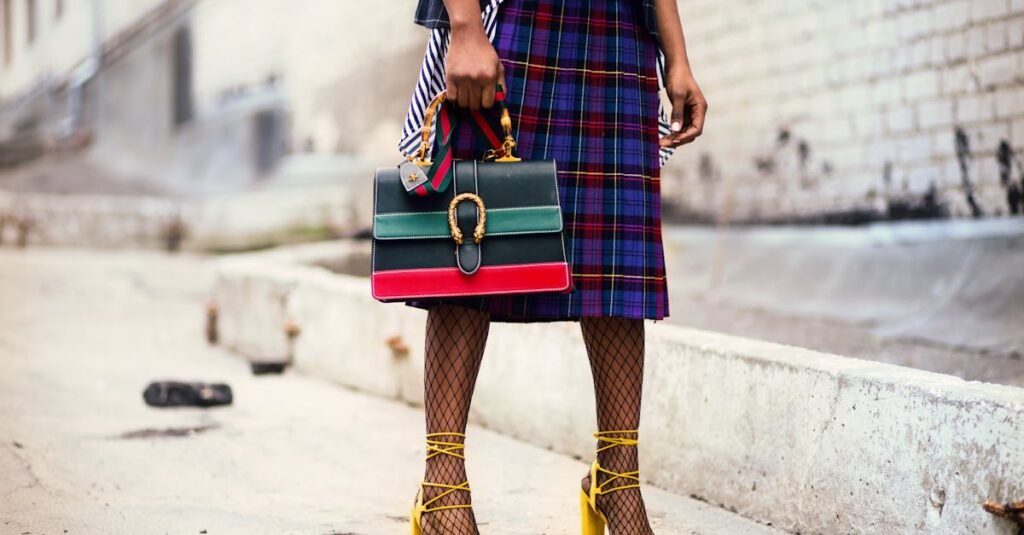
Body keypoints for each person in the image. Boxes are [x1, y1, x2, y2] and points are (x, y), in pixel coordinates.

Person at [400, 0, 707, 533]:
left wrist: (677, 56)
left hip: (618, 33)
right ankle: (442, 486)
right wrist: (467, 27)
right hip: (515, 23)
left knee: (615, 261)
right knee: (471, 239)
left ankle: (618, 481)